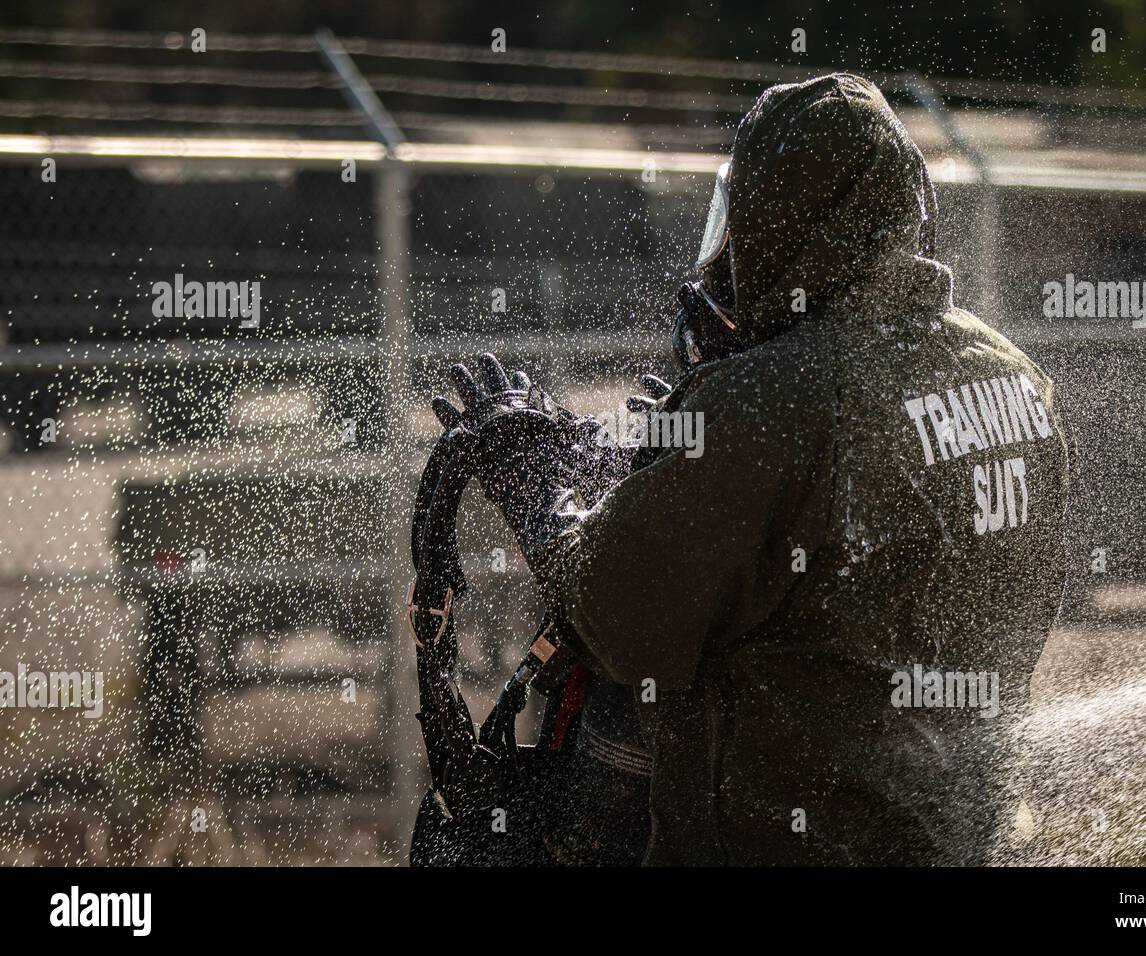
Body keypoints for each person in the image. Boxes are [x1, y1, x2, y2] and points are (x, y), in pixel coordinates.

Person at [437, 72, 1071, 865]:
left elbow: (616, 616)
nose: (727, 257)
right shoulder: (1012, 376)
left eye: (740, 221)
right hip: (959, 837)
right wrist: (694, 467)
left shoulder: (777, 398)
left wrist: (533, 478)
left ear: (787, 221)